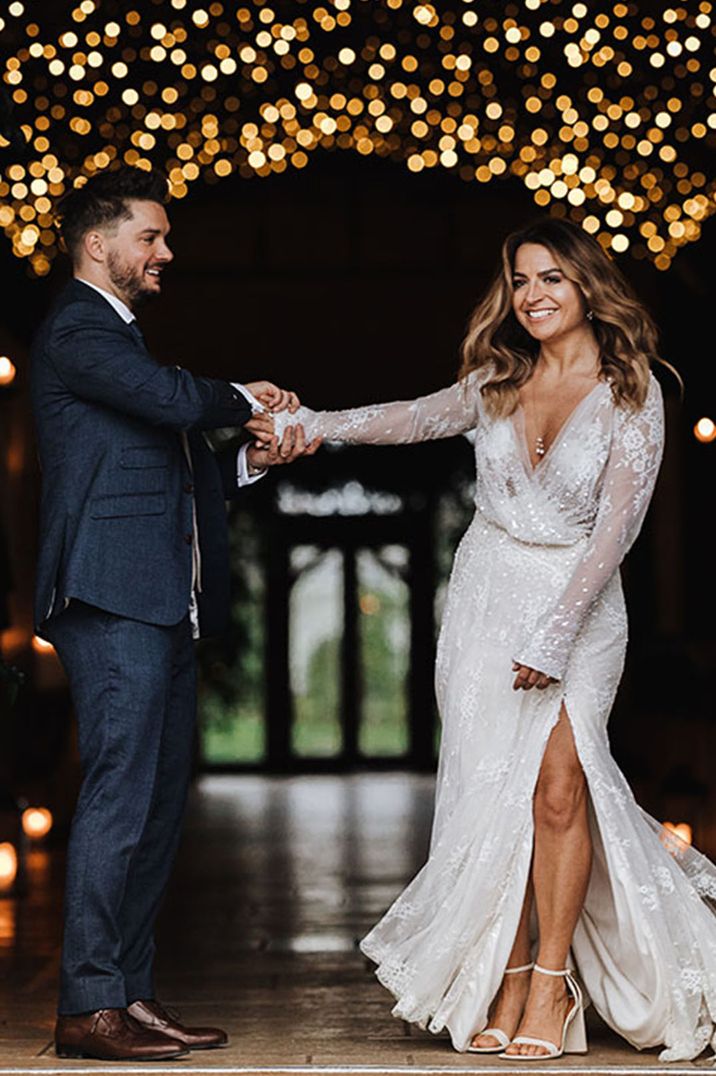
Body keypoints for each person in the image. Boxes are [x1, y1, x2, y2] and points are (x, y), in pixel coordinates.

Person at [274, 218, 716, 1062]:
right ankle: (507, 977)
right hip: (485, 598)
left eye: (551, 277)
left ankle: (552, 985)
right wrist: (314, 423)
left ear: (587, 284)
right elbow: (408, 419)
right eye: (520, 280)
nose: (534, 295)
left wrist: (554, 636)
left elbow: (614, 533)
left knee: (559, 792)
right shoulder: (497, 380)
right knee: (493, 798)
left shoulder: (634, 388)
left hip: (579, 610)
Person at [31, 166, 319, 1062]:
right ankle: (87, 1007)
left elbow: (169, 460)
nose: (166, 252)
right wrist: (250, 398)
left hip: (161, 603)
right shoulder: (79, 329)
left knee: (154, 810)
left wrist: (247, 465)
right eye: (150, 237)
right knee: (120, 801)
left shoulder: (122, 342)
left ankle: (130, 994)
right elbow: (169, 403)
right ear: (97, 244)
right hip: (113, 597)